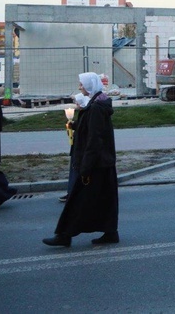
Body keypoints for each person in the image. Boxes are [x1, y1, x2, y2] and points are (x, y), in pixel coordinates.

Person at [43, 73, 119, 247]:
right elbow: (91, 129)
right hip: (101, 162)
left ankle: (64, 235)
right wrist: (75, 125)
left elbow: (95, 138)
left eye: (81, 85)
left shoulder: (97, 107)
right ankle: (110, 232)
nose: (79, 88)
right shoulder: (96, 103)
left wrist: (85, 166)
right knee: (103, 199)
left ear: (90, 86)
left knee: (76, 200)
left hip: (95, 163)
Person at [59, 93, 90, 203]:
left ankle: (73, 193)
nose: (76, 104)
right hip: (78, 148)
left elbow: (84, 129)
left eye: (77, 102)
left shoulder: (87, 113)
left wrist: (73, 126)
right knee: (75, 170)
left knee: (76, 170)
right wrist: (71, 125)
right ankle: (73, 192)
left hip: (80, 149)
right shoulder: (84, 113)